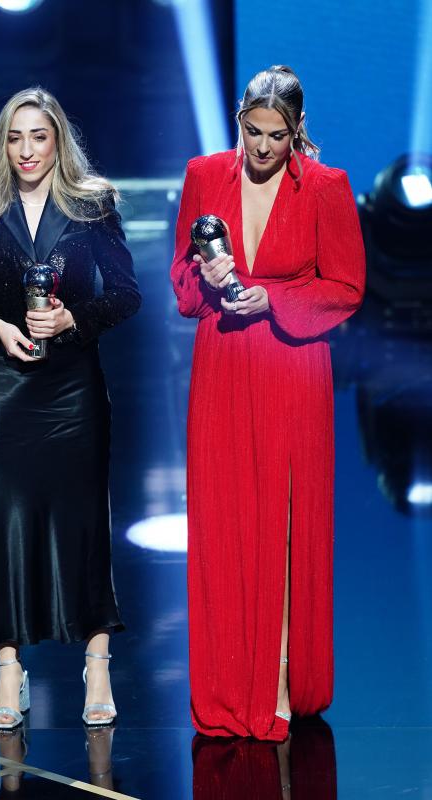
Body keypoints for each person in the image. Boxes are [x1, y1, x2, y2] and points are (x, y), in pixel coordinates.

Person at [0, 87, 141, 730]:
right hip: (9, 388)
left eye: (38, 137)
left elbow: (127, 294)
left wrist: (76, 318)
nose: (26, 150)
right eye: (14, 138)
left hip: (74, 388)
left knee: (84, 522)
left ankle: (97, 662)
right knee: (7, 523)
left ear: (57, 141)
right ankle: (9, 673)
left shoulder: (92, 203)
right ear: (3, 144)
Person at [170, 65, 365, 741]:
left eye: (274, 136)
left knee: (282, 522)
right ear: (237, 121)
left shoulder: (327, 188)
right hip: (222, 363)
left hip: (289, 364)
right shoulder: (203, 175)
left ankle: (281, 676)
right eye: (251, 132)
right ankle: (229, 689)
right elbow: (180, 283)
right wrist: (206, 274)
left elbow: (344, 286)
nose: (259, 148)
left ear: (296, 131)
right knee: (226, 522)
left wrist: (272, 297)